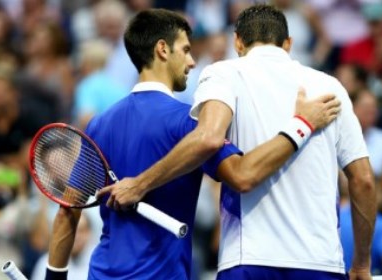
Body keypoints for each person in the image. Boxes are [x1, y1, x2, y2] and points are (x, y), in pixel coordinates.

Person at [47, 8, 340, 280]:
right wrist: (302, 124)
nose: (191, 62)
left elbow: (67, 211)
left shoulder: (99, 124)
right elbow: (243, 174)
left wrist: (54, 277)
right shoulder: (190, 124)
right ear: (162, 49)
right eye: (186, 50)